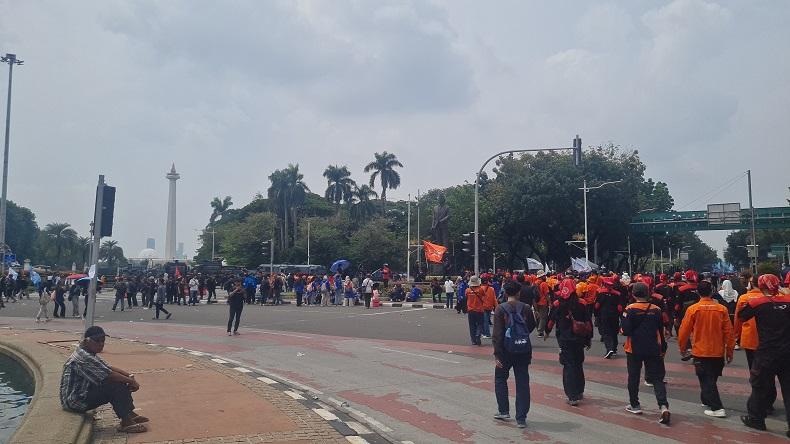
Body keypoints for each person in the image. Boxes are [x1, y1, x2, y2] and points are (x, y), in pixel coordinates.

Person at [60, 326, 148, 433]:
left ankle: (129, 413)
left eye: (103, 341)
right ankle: (126, 422)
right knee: (114, 384)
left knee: (120, 379)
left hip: (83, 392)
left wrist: (129, 376)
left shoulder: (88, 352)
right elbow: (109, 375)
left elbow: (108, 367)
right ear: (87, 341)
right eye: (97, 341)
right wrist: (131, 381)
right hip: (75, 400)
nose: (101, 344)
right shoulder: (83, 357)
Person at [738, 274, 790, 436]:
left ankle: (756, 419)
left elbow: (742, 315)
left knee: (759, 386)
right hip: (787, 352)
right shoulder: (788, 301)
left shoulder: (756, 302)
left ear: (760, 286)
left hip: (766, 352)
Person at [677, 280, 735, 418]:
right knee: (711, 378)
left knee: (706, 379)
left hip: (700, 351)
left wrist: (682, 347)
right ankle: (706, 400)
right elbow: (729, 332)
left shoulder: (693, 309)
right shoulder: (722, 309)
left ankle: (717, 408)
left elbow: (683, 331)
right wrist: (730, 351)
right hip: (718, 351)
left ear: (698, 292)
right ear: (712, 292)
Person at [621, 282, 671, 424]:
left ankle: (635, 405)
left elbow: (626, 331)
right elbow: (661, 330)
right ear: (648, 293)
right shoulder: (656, 309)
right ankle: (663, 406)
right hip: (653, 347)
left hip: (634, 349)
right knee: (657, 379)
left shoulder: (629, 309)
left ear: (633, 294)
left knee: (634, 377)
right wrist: (663, 348)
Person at [492, 280, 536, 428]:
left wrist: (497, 354)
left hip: (505, 351)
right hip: (523, 350)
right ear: (519, 293)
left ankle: (504, 411)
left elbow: (497, 334)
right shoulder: (526, 308)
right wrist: (520, 336)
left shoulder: (500, 309)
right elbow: (531, 326)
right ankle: (521, 418)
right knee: (522, 382)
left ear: (505, 293)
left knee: (500, 378)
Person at [546, 278, 591, 406]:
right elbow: (588, 323)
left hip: (564, 340)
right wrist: (588, 339)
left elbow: (551, 321)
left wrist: (547, 332)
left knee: (568, 366)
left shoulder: (557, 304)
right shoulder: (582, 303)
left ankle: (572, 396)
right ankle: (579, 391)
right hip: (579, 339)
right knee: (578, 364)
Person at [466, 276, 496, 346]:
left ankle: (473, 340)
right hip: (479, 309)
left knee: (472, 325)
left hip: (470, 310)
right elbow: (483, 296)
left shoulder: (467, 290)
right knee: (480, 324)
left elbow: (466, 297)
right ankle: (478, 334)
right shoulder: (480, 290)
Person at [535, 271, 551, 338]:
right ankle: (540, 331)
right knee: (543, 317)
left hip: (536, 302)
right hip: (543, 302)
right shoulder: (544, 284)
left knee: (538, 316)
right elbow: (546, 294)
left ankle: (539, 329)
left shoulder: (535, 283)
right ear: (542, 276)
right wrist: (549, 302)